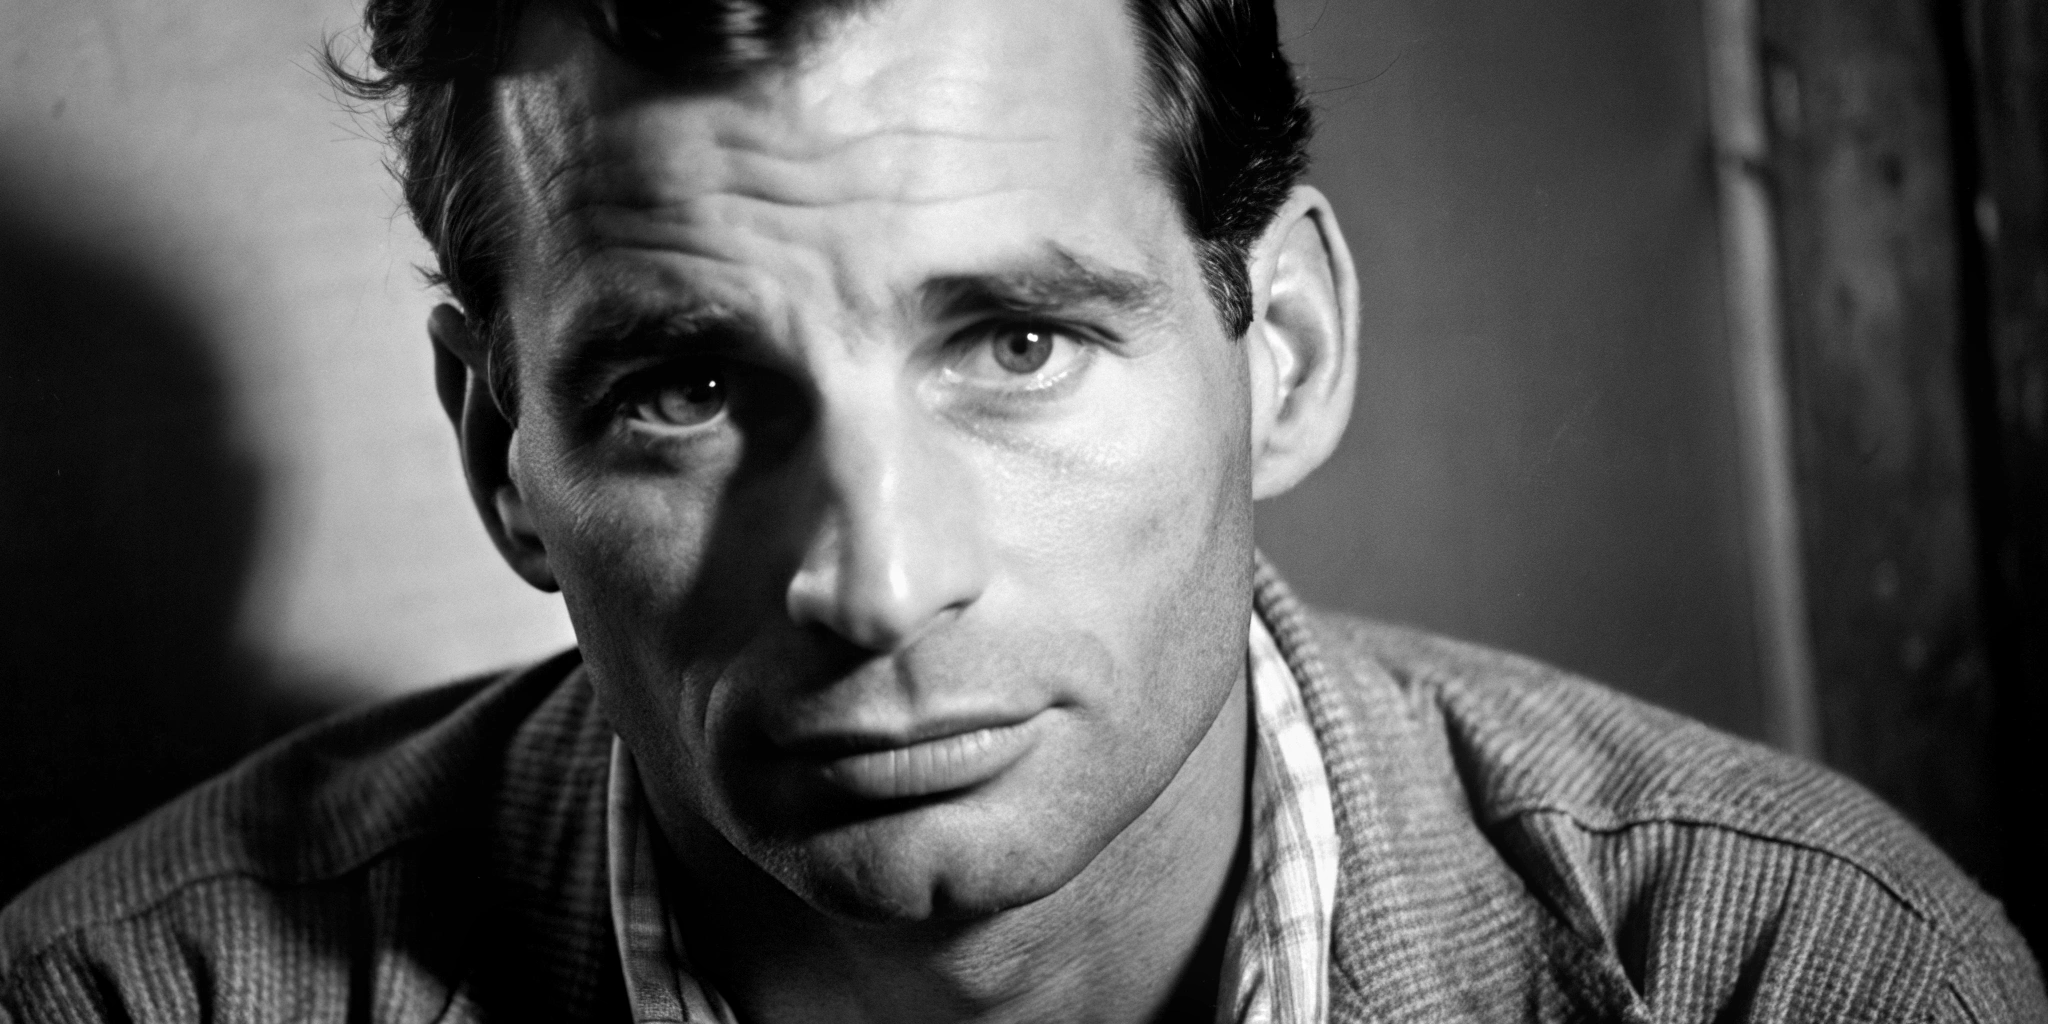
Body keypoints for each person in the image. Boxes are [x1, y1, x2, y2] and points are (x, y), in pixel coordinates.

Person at [2, 0, 2043, 1019]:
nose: (876, 579)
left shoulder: (1797, 977)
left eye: (1017, 341)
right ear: (499, 454)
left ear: (1284, 348)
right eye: (685, 389)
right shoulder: (120, 1002)